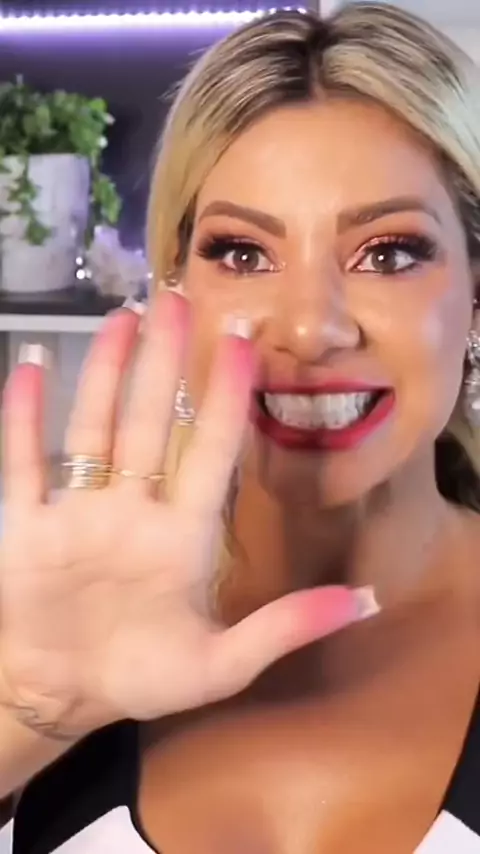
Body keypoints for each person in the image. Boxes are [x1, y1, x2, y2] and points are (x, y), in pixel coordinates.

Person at [1, 1, 480, 850]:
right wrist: (31, 713)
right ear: (176, 286)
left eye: (389, 253)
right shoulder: (50, 606)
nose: (310, 329)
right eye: (243, 253)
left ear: (475, 294)